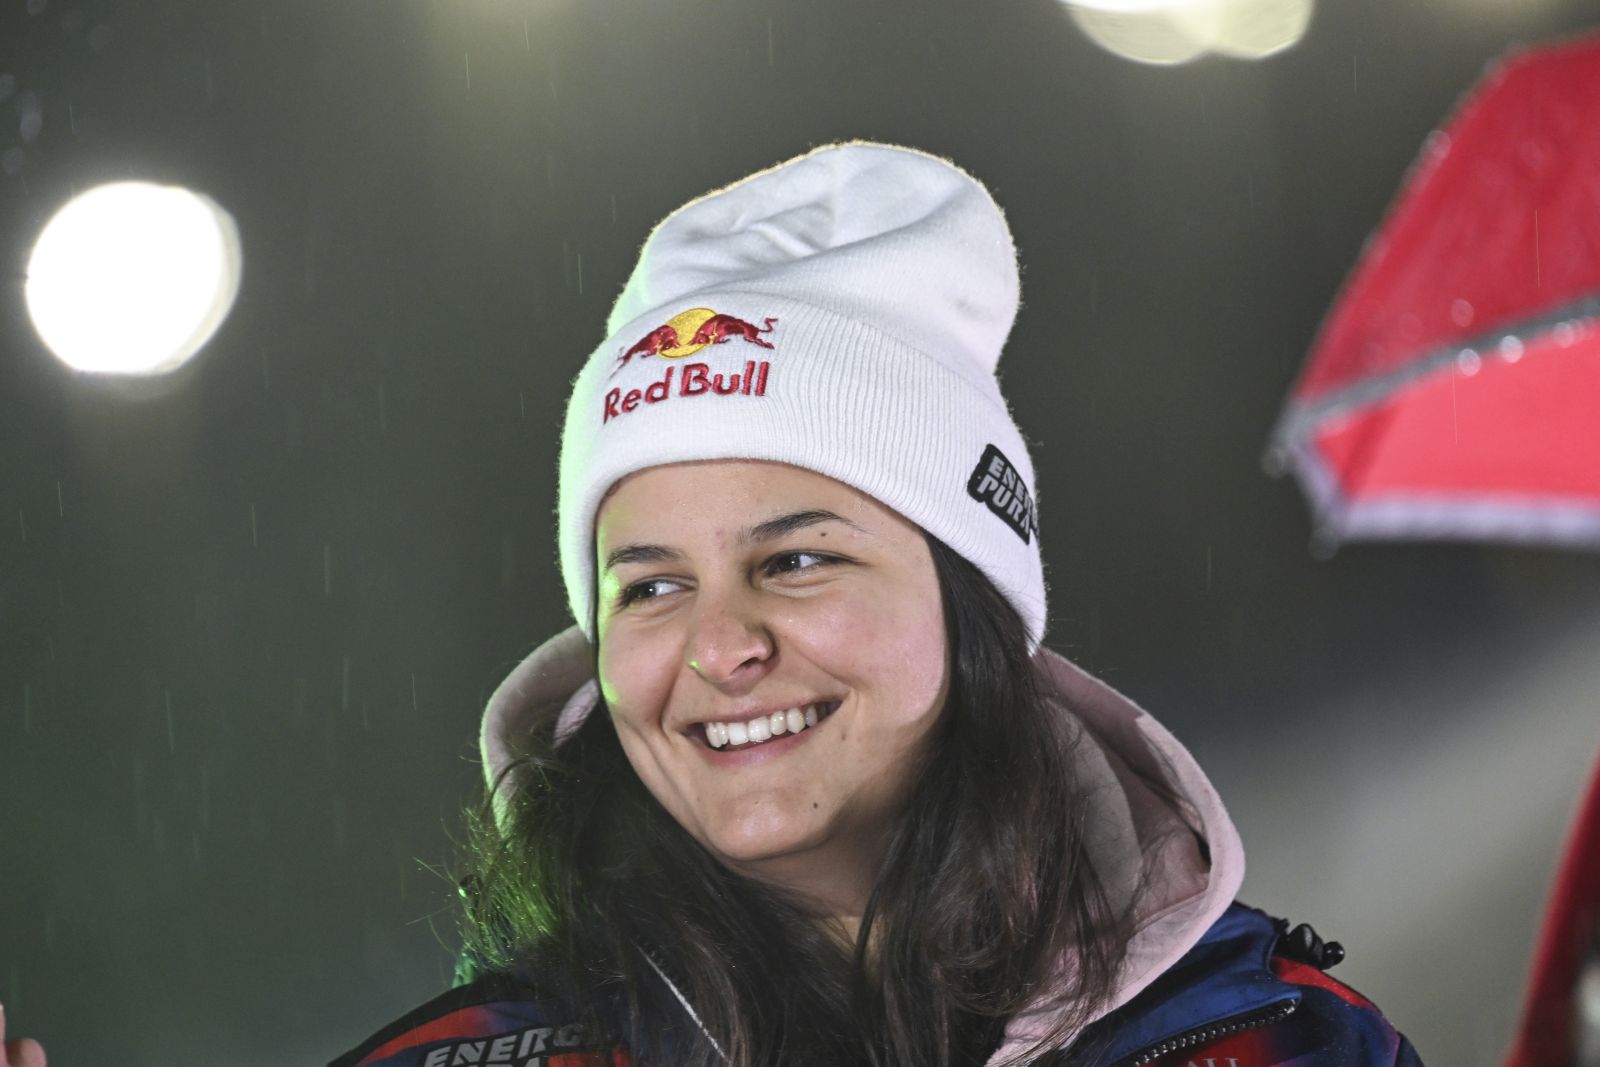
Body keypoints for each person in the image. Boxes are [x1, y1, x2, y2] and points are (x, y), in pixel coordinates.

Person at [331, 141, 1423, 1067]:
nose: (718, 645)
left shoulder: (1281, 1041)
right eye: (653, 586)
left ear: (971, 599)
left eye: (795, 560)